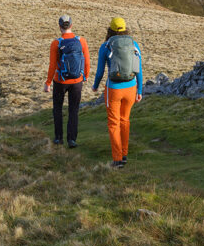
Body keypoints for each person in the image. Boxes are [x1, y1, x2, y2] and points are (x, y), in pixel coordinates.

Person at [92, 17, 143, 168]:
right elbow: (138, 69)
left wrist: (95, 86)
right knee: (125, 121)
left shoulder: (106, 46)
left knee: (114, 123)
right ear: (125, 29)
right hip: (131, 87)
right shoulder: (134, 45)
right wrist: (139, 90)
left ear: (110, 30)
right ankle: (125, 155)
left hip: (113, 89)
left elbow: (100, 71)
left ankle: (117, 159)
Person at [44, 14, 90, 147]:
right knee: (73, 110)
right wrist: (85, 76)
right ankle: (72, 140)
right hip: (77, 81)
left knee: (57, 109)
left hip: (60, 81)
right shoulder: (81, 41)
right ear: (71, 25)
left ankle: (58, 138)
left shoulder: (56, 43)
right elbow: (86, 61)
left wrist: (48, 83)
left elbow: (52, 65)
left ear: (60, 27)